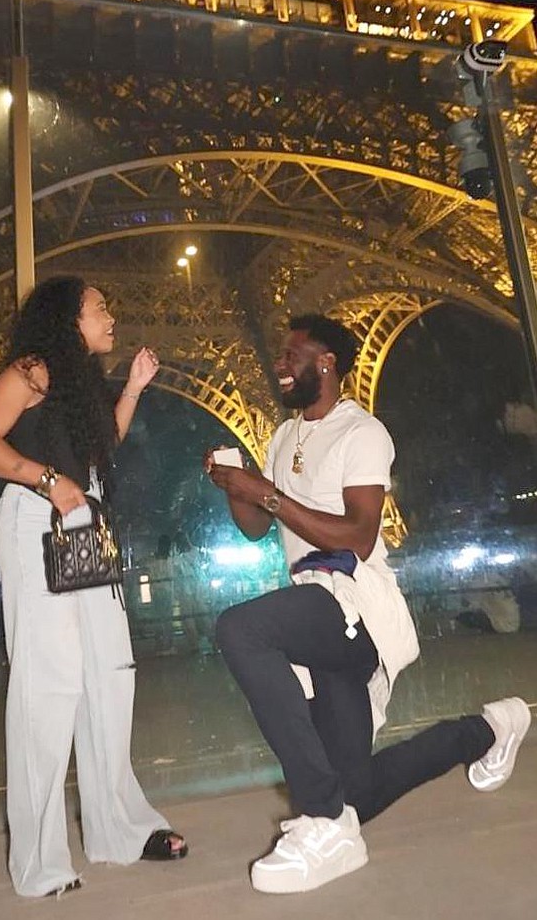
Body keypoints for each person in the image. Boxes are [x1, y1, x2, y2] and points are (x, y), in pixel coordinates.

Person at [208, 313, 531, 896]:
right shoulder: (283, 437)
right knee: (356, 792)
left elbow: (358, 537)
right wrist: (236, 485)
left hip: (352, 598)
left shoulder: (363, 433)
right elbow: (256, 527)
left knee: (242, 630)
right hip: (316, 616)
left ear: (327, 362)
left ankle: (321, 817)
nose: (280, 365)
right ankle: (488, 728)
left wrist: (269, 494)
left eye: (292, 355)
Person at [0, 276, 188, 898]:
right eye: (99, 308)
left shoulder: (81, 381)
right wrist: (47, 480)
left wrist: (133, 389)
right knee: (48, 684)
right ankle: (38, 861)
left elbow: (101, 447)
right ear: (68, 319)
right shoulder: (30, 372)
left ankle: (119, 830)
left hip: (82, 521)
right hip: (36, 522)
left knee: (109, 675)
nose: (110, 316)